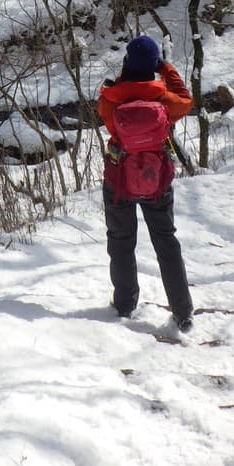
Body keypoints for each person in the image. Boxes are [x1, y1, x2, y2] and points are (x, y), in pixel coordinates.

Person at [96, 34, 195, 331]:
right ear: (153, 66)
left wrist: (120, 80)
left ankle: (125, 305)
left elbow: (107, 118)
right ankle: (182, 311)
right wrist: (166, 68)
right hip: (157, 180)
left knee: (121, 242)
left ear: (127, 62)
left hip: (119, 178)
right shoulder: (164, 99)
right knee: (166, 241)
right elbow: (186, 100)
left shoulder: (111, 98)